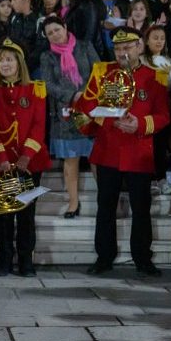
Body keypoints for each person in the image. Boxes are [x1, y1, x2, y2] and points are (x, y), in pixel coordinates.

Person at [74, 27, 170, 276]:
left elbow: (163, 116)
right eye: (117, 48)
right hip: (108, 149)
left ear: (140, 46)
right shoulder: (103, 72)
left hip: (139, 151)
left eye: (127, 47)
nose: (122, 53)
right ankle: (104, 257)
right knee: (105, 206)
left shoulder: (155, 77)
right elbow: (86, 106)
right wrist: (109, 121)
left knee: (141, 207)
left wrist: (141, 124)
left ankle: (143, 258)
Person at [0, 39, 50, 277]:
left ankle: (26, 261)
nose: (5, 64)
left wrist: (26, 158)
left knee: (26, 214)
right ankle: (4, 260)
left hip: (29, 164)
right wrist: (1, 158)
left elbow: (39, 126)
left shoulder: (36, 89)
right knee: (4, 214)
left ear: (19, 63)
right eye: (1, 60)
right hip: (2, 164)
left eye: (9, 59)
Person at [40, 17, 98, 218]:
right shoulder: (47, 56)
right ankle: (73, 203)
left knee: (96, 158)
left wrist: (86, 95)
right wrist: (72, 96)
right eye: (50, 33)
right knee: (70, 161)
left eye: (57, 29)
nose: (55, 35)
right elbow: (48, 84)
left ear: (65, 27)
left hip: (90, 110)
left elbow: (98, 72)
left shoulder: (84, 46)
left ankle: (104, 200)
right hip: (64, 114)